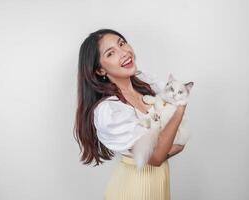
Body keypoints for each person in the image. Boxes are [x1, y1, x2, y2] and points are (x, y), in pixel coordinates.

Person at [74, 28, 187, 200]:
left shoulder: (145, 82)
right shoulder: (109, 110)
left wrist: (166, 147)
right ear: (100, 70)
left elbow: (168, 146)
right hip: (134, 188)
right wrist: (180, 110)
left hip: (159, 182)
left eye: (122, 43)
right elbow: (157, 157)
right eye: (111, 53)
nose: (124, 53)